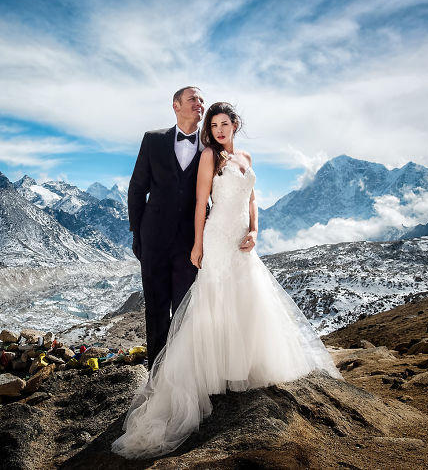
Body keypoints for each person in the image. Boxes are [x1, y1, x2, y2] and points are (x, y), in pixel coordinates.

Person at [113, 102, 342, 460]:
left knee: (246, 300)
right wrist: (198, 244)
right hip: (218, 237)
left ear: (236, 125)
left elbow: (252, 199)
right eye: (213, 125)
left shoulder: (246, 157)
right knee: (214, 301)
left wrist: (255, 230)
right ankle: (211, 375)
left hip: (242, 240)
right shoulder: (209, 156)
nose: (219, 130)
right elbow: (200, 203)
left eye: (224, 124)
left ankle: (240, 368)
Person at [128, 86, 206, 369]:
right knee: (156, 308)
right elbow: (137, 188)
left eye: (201, 99)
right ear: (176, 105)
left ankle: (182, 374)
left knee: (186, 309)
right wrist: (137, 234)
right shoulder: (153, 140)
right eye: (193, 99)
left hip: (190, 244)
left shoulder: (210, 146)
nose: (199, 103)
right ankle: (157, 374)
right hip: (154, 240)